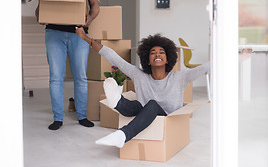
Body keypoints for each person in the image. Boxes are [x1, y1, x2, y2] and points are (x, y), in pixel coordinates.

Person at [75, 28, 210, 148]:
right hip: (143, 113)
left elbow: (204, 68)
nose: (157, 54)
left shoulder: (179, 77)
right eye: (153, 53)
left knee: (151, 105)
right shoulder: (139, 75)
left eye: (161, 52)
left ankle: (123, 135)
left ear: (168, 59)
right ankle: (116, 101)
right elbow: (114, 58)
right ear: (147, 59)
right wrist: (86, 38)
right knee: (138, 105)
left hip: (168, 118)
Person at [36, 0, 100, 130]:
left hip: (78, 33)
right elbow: (41, 9)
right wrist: (40, 16)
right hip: (54, 33)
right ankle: (58, 118)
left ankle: (82, 116)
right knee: (56, 77)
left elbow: (95, 6)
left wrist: (89, 19)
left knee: (80, 76)